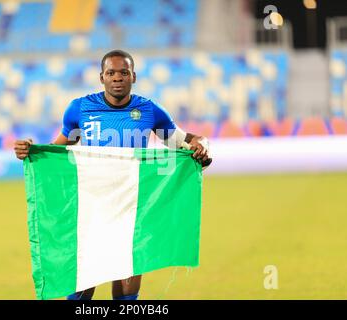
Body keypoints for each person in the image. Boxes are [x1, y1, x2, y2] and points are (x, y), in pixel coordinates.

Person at [14, 49, 211, 300]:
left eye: (124, 72)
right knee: (83, 282)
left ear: (134, 76)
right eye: (111, 72)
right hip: (91, 207)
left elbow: (182, 142)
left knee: (128, 280)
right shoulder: (80, 109)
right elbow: (57, 149)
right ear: (101, 77)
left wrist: (202, 143)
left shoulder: (150, 111)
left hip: (133, 205)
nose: (117, 77)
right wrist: (32, 150)